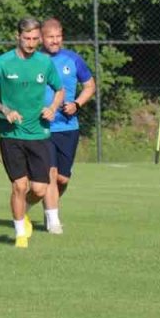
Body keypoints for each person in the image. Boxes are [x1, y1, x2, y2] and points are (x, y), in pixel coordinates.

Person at [0, 17, 64, 248]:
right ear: (18, 36)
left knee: (39, 189)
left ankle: (23, 211)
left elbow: (59, 90)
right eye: (27, 38)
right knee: (19, 186)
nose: (31, 43)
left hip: (39, 134)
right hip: (12, 135)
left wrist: (52, 108)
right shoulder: (2, 63)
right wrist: (5, 109)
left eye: (35, 39)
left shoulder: (45, 63)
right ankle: (19, 234)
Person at [40, 17, 95, 234]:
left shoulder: (73, 60)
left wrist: (77, 104)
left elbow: (90, 86)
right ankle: (53, 220)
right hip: (42, 128)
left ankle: (45, 205)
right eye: (50, 37)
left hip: (68, 128)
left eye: (58, 37)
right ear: (42, 38)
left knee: (62, 178)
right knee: (50, 173)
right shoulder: (34, 60)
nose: (55, 41)